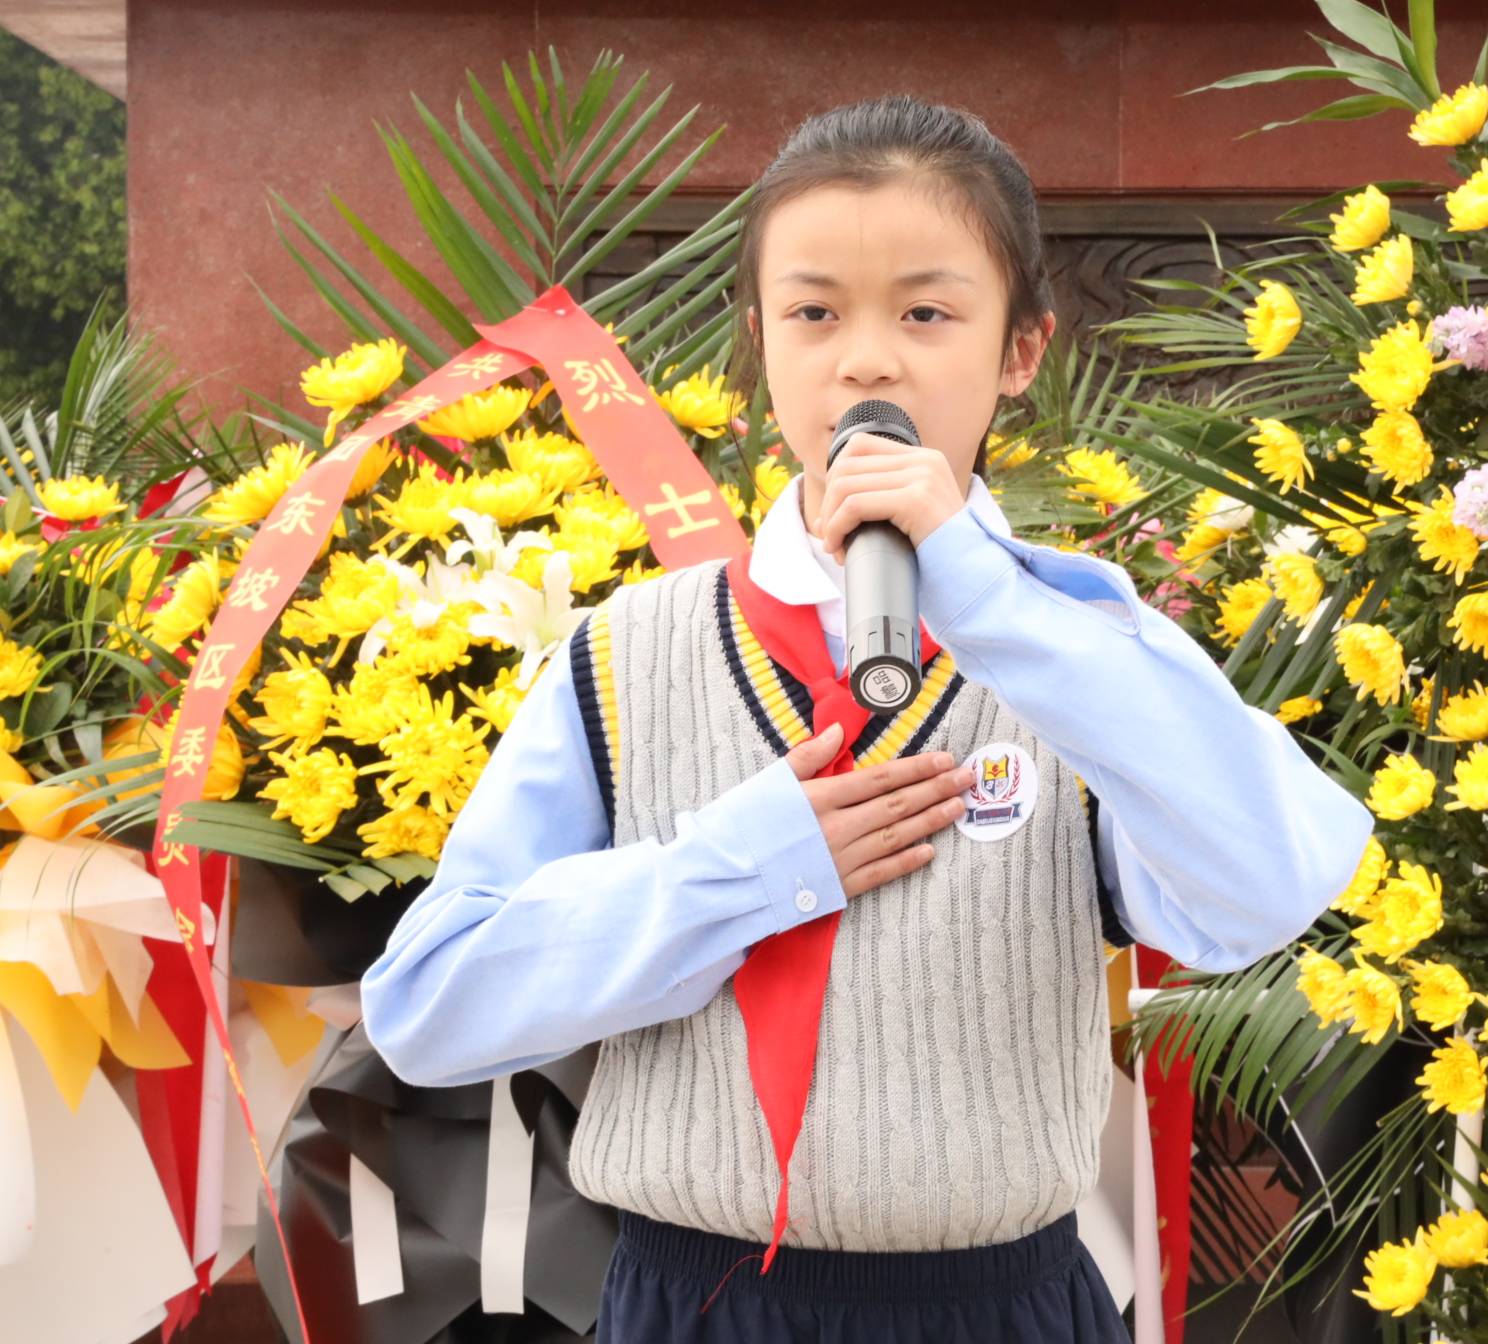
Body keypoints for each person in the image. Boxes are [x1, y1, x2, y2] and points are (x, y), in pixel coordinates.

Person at [359, 93, 1374, 1342]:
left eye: (928, 312)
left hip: (997, 1303)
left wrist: (992, 600)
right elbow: (428, 1009)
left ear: (1022, 352)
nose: (868, 360)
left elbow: (1270, 883)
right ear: (761, 341)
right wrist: (739, 872)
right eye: (815, 313)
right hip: (695, 1302)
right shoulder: (627, 653)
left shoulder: (1087, 649)